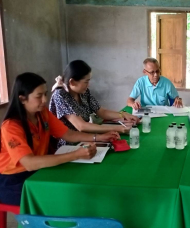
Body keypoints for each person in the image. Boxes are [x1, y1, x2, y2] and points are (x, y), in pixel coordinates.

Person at [0, 73, 119, 205]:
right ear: (22, 99)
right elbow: (29, 163)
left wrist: (99, 137)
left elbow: (68, 134)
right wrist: (75, 155)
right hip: (13, 179)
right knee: (61, 195)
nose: (44, 100)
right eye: (39, 96)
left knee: (78, 180)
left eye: (45, 94)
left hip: (39, 169)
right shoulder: (11, 126)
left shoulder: (42, 114)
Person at [49, 60, 139, 147]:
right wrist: (118, 129)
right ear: (72, 82)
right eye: (86, 82)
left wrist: (123, 114)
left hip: (87, 138)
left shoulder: (84, 92)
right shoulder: (60, 95)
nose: (89, 85)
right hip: (69, 144)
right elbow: (81, 126)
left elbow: (101, 111)